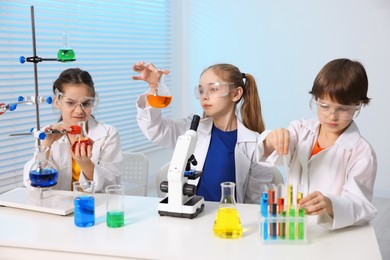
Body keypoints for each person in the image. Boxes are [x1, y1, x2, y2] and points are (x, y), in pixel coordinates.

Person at [132, 61, 275, 204]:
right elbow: (155, 129)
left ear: (236, 94)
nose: (204, 96)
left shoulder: (256, 144)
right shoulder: (191, 129)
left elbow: (255, 204)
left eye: (213, 89)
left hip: (226, 221)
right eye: (201, 91)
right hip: (190, 219)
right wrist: (153, 87)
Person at [262, 58, 377, 229]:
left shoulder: (361, 152)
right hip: (292, 226)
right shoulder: (300, 130)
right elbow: (267, 151)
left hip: (329, 234)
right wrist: (272, 139)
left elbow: (360, 204)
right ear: (315, 99)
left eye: (343, 108)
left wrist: (331, 205)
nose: (332, 115)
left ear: (357, 105)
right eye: (324, 106)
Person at [23, 68, 122, 192]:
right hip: (58, 206)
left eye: (86, 104)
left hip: (95, 206)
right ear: (57, 102)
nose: (79, 111)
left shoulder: (108, 134)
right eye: (70, 103)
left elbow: (111, 185)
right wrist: (46, 145)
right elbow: (33, 184)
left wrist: (85, 163)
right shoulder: (47, 134)